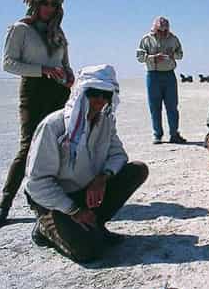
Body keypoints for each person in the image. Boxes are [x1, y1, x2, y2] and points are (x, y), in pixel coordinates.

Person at [25, 64, 149, 262]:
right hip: (56, 200)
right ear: (81, 93)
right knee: (89, 252)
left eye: (105, 94)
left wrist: (102, 178)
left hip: (87, 189)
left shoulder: (105, 121)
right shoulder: (54, 126)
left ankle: (95, 224)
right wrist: (73, 210)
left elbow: (118, 156)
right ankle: (46, 226)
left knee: (137, 170)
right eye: (94, 93)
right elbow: (36, 183)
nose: (100, 101)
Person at [0, 0, 74, 231]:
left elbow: (65, 63)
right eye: (45, 4)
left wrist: (69, 76)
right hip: (34, 91)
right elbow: (8, 63)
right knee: (28, 147)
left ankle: (52, 201)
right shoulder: (20, 29)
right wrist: (42, 70)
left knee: (59, 144)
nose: (49, 9)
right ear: (35, 5)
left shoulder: (57, 32)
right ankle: (4, 204)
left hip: (59, 91)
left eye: (54, 5)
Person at [137, 16, 186, 144]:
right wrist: (152, 57)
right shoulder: (146, 39)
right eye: (160, 30)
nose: (163, 33)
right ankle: (157, 134)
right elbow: (140, 57)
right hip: (153, 76)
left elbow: (180, 54)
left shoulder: (173, 39)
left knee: (172, 107)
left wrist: (172, 55)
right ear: (155, 29)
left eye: (166, 30)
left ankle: (174, 134)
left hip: (169, 75)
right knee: (155, 106)